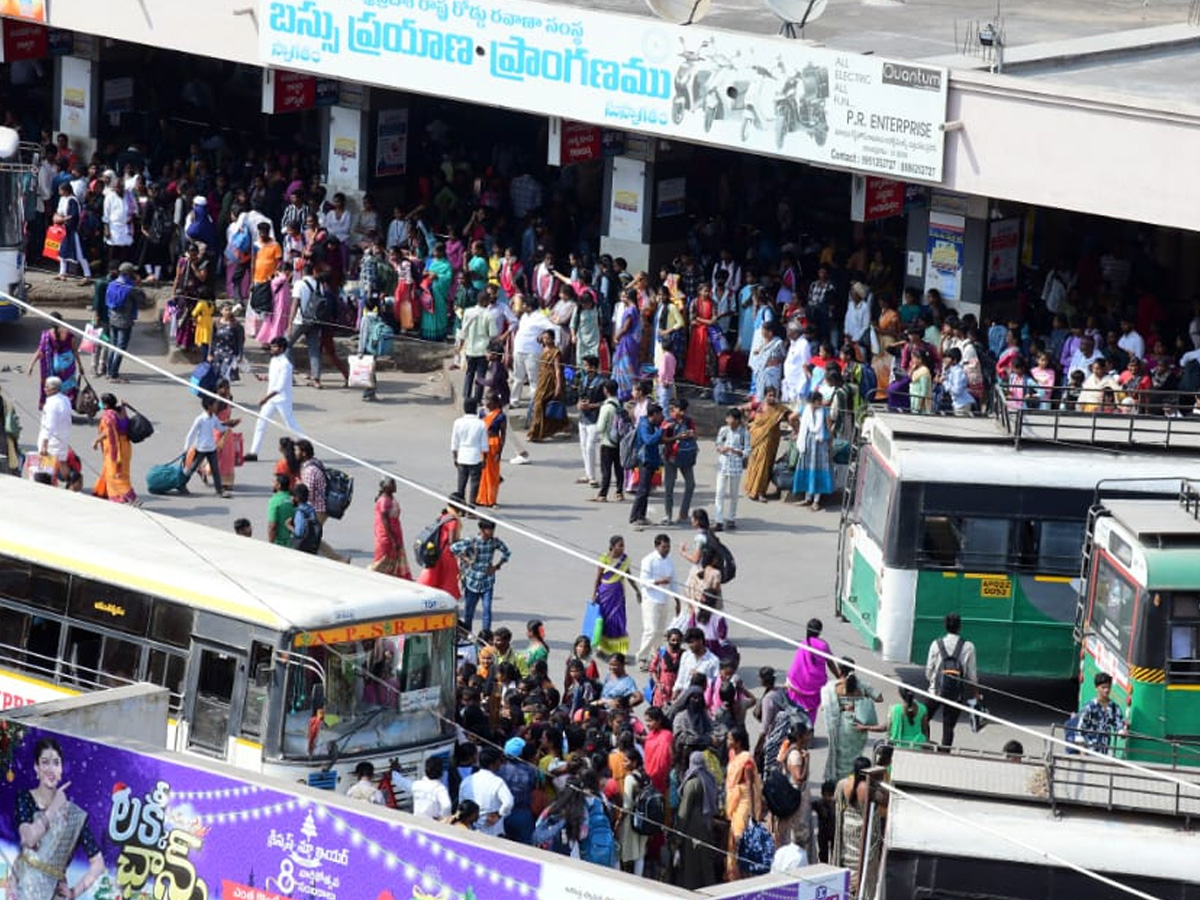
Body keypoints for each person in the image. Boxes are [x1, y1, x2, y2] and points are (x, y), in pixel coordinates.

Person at [14, 737, 105, 900]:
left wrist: (74, 892)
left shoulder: (74, 814)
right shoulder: (25, 798)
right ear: (36, 767)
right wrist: (55, 806)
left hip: (55, 893)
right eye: (45, 762)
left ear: (61, 769)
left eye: (56, 763)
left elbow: (98, 864)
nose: (51, 769)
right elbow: (29, 839)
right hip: (24, 887)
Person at [924, 613, 979, 750]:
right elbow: (972, 676)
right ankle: (944, 753)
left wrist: (933, 682)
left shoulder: (936, 644)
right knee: (948, 726)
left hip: (935, 692)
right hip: (956, 695)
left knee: (923, 718)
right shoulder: (968, 646)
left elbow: (929, 671)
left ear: (945, 626)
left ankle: (924, 744)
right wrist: (976, 693)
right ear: (960, 627)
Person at [451, 518, 511, 632]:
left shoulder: (494, 542)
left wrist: (496, 566)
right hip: (472, 581)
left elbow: (507, 552)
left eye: (493, 529)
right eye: (490, 530)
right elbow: (453, 548)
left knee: (487, 610)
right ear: (482, 530)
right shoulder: (472, 541)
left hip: (487, 581)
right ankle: (467, 634)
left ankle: (485, 635)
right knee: (469, 611)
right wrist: (466, 559)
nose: (492, 532)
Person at [822, 663, 880, 782]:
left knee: (841, 758)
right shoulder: (862, 685)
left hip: (843, 726)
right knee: (856, 756)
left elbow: (826, 708)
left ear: (839, 670)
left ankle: (841, 785)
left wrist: (843, 708)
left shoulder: (832, 687)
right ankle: (853, 781)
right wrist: (862, 700)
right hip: (859, 725)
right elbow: (879, 698)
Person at [246, 336, 301, 460]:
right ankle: (253, 452)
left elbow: (280, 386)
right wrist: (265, 377)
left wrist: (265, 398)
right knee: (260, 423)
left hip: (282, 399)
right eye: (271, 346)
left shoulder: (286, 364)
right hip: (271, 399)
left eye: (275, 347)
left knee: (290, 424)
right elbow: (274, 377)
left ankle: (305, 448)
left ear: (281, 349)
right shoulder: (274, 361)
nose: (272, 348)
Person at [675, 750, 721, 889]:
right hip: (706, 826)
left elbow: (684, 812)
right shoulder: (709, 779)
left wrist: (678, 836)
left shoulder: (692, 784)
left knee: (691, 865)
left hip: (692, 830)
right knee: (706, 864)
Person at [296, 439, 347, 562]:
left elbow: (308, 494)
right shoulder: (315, 463)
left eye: (297, 450)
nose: (295, 453)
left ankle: (340, 559)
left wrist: (299, 486)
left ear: (303, 453)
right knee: (312, 536)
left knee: (311, 536)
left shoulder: (309, 470)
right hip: (320, 506)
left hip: (317, 508)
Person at [724, 725, 763, 881]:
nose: (727, 741)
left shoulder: (746, 760)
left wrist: (753, 814)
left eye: (730, 739)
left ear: (738, 742)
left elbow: (750, 787)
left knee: (739, 838)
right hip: (734, 800)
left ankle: (743, 874)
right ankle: (733, 874)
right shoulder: (732, 754)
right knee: (732, 838)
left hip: (744, 802)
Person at [593, 535, 640, 659]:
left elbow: (629, 576)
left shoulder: (625, 560)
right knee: (605, 622)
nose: (623, 548)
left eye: (623, 545)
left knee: (619, 622)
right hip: (605, 594)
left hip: (618, 595)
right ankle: (602, 649)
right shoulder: (604, 558)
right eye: (620, 545)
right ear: (612, 547)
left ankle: (618, 652)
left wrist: (637, 591)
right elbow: (598, 578)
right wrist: (594, 595)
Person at [786, 618, 839, 726]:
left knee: (795, 706)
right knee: (811, 710)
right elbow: (830, 663)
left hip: (798, 682)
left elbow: (797, 665)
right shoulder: (823, 645)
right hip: (815, 685)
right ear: (819, 631)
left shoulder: (804, 643)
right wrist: (839, 676)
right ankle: (808, 729)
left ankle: (795, 728)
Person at [637, 534, 678, 670]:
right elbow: (643, 582)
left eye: (668, 547)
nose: (666, 550)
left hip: (664, 599)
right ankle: (642, 657)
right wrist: (659, 582)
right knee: (651, 630)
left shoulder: (670, 561)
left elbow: (673, 582)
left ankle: (657, 657)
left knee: (660, 632)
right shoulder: (648, 560)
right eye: (664, 547)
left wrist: (677, 600)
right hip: (651, 600)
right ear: (656, 546)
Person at [833, 757, 872, 893]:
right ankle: (857, 887)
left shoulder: (843, 784)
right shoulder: (868, 789)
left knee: (847, 857)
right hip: (862, 828)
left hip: (847, 826)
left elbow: (837, 801)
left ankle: (847, 885)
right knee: (860, 860)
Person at [790, 392, 834, 511]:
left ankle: (816, 501)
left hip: (820, 444)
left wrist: (830, 446)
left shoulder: (824, 411)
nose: (820, 403)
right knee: (808, 468)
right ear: (813, 402)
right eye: (818, 401)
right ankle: (807, 498)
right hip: (808, 443)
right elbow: (791, 418)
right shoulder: (805, 410)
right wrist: (798, 431)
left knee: (819, 469)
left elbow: (829, 430)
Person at [743, 387, 787, 502]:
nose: (771, 398)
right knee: (755, 464)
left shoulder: (780, 410)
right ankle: (752, 490)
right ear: (765, 396)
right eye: (769, 395)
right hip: (757, 440)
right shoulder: (758, 406)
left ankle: (761, 492)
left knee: (765, 466)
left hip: (770, 442)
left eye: (773, 395)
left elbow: (792, 417)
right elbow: (741, 408)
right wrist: (748, 424)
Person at [91, 393, 137, 504]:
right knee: (123, 472)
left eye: (102, 402)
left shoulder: (108, 416)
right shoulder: (122, 411)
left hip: (115, 448)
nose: (100, 404)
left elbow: (108, 432)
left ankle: (125, 496)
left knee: (115, 473)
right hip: (126, 446)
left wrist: (96, 441)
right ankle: (102, 491)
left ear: (106, 405)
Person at [181, 396, 231, 498]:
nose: (217, 406)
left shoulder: (214, 418)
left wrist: (229, 424)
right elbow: (191, 434)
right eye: (215, 404)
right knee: (192, 467)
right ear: (209, 406)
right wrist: (186, 448)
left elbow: (220, 428)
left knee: (215, 469)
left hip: (211, 448)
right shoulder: (200, 419)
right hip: (201, 448)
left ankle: (219, 490)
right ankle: (182, 484)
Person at [458, 747, 514, 837]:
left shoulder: (467, 781)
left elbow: (461, 805)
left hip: (470, 831)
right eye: (499, 761)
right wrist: (498, 815)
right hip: (493, 832)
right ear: (493, 763)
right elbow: (508, 802)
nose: (500, 764)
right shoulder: (497, 782)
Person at [29, 314, 81, 409]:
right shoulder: (69, 334)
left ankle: (54, 408)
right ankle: (66, 407)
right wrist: (81, 366)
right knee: (67, 388)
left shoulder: (47, 335)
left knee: (54, 388)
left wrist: (31, 365)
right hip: (68, 366)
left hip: (54, 367)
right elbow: (74, 350)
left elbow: (40, 351)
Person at [662, 399, 698, 526]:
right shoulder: (668, 422)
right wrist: (677, 437)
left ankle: (683, 514)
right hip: (671, 457)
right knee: (669, 487)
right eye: (679, 410)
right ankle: (668, 515)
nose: (681, 413)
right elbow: (663, 439)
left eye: (683, 410)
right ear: (674, 408)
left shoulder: (689, 421)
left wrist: (691, 435)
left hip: (686, 457)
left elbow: (695, 436)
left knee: (690, 484)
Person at [526, 329, 568, 441]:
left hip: (551, 381)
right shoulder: (544, 349)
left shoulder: (556, 352)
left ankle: (535, 433)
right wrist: (541, 337)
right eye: (544, 338)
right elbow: (538, 340)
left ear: (553, 339)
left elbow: (558, 370)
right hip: (542, 380)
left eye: (548, 338)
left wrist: (558, 386)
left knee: (541, 404)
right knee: (540, 405)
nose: (545, 340)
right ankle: (543, 431)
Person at [629, 403, 665, 528]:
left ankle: (641, 516)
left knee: (646, 490)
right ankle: (634, 517)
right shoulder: (644, 425)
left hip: (651, 459)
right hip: (645, 460)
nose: (662, 417)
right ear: (654, 415)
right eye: (660, 415)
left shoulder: (651, 424)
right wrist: (661, 430)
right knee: (642, 490)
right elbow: (648, 440)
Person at [713, 407, 749, 531]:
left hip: (736, 466)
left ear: (738, 420)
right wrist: (721, 449)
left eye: (733, 419)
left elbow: (747, 451)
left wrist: (737, 451)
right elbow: (717, 443)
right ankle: (718, 520)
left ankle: (731, 518)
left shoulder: (744, 433)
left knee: (734, 494)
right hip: (723, 464)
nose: (730, 421)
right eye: (728, 418)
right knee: (719, 493)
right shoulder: (724, 430)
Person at [417, 504, 463, 599]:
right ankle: (447, 598)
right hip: (447, 553)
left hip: (437, 550)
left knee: (434, 574)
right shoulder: (453, 521)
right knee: (450, 576)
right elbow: (451, 542)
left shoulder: (443, 516)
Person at [1077, 671, 1127, 755]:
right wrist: (1083, 753)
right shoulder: (1089, 707)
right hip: (1090, 752)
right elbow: (1080, 730)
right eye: (1103, 687)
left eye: (1108, 687)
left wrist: (1122, 732)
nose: (1106, 690)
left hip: (1105, 753)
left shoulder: (1114, 708)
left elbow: (1119, 726)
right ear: (1096, 688)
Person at [371, 478, 412, 578]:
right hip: (386, 535)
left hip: (395, 532)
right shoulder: (384, 501)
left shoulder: (390, 498)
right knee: (384, 559)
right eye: (392, 484)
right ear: (386, 487)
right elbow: (385, 522)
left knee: (392, 559)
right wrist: (393, 540)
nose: (395, 487)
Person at [450, 397, 488, 507]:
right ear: (476, 409)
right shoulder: (481, 424)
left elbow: (454, 442)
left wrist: (455, 457)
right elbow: (484, 445)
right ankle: (471, 508)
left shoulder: (458, 422)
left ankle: (459, 507)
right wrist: (484, 459)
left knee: (461, 483)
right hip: (475, 457)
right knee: (474, 484)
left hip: (462, 456)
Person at [36, 377, 73, 485]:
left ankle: (49, 484)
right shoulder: (65, 399)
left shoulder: (52, 403)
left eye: (47, 387)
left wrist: (44, 445)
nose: (44, 389)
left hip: (53, 438)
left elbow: (49, 425)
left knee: (48, 463)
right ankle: (70, 483)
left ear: (53, 388)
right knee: (62, 461)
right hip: (63, 435)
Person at [593, 380, 626, 502]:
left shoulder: (606, 407)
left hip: (607, 442)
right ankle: (619, 492)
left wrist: (598, 434)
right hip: (619, 441)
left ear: (606, 390)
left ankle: (603, 494)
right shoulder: (621, 404)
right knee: (619, 468)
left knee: (606, 469)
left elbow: (600, 427)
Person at [475, 392, 507, 508]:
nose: (486, 403)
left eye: (489, 400)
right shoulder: (482, 413)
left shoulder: (500, 416)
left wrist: (500, 452)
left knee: (492, 474)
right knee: (481, 472)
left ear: (495, 403)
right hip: (482, 443)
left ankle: (491, 499)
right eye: (485, 400)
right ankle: (480, 498)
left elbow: (503, 434)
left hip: (493, 444)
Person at [211, 379, 242, 494]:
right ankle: (220, 481)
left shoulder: (229, 398)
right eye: (223, 388)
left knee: (229, 458)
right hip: (219, 432)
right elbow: (214, 421)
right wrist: (227, 423)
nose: (226, 390)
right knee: (220, 458)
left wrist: (232, 422)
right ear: (218, 389)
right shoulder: (217, 402)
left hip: (228, 432)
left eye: (227, 387)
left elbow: (228, 416)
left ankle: (228, 482)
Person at [266, 473, 295, 547]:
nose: (272, 485)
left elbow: (272, 526)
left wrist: (270, 544)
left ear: (279, 485)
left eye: (274, 482)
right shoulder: (293, 500)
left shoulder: (275, 501)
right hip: (293, 542)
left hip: (279, 543)